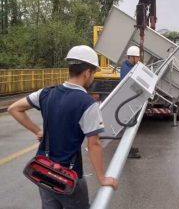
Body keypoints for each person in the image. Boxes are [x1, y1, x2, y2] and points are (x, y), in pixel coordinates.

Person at [8, 45, 118, 209]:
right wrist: (102, 178)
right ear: (87, 72)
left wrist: (37, 130)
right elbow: (94, 144)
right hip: (69, 178)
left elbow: (14, 109)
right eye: (94, 73)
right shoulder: (87, 104)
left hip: (43, 171)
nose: (92, 77)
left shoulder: (46, 93)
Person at [120, 45, 142, 159]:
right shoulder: (126, 69)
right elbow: (130, 84)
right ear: (132, 57)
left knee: (130, 125)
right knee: (128, 125)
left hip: (130, 100)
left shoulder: (130, 66)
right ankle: (126, 151)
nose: (138, 60)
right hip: (127, 101)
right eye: (137, 57)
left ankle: (128, 147)